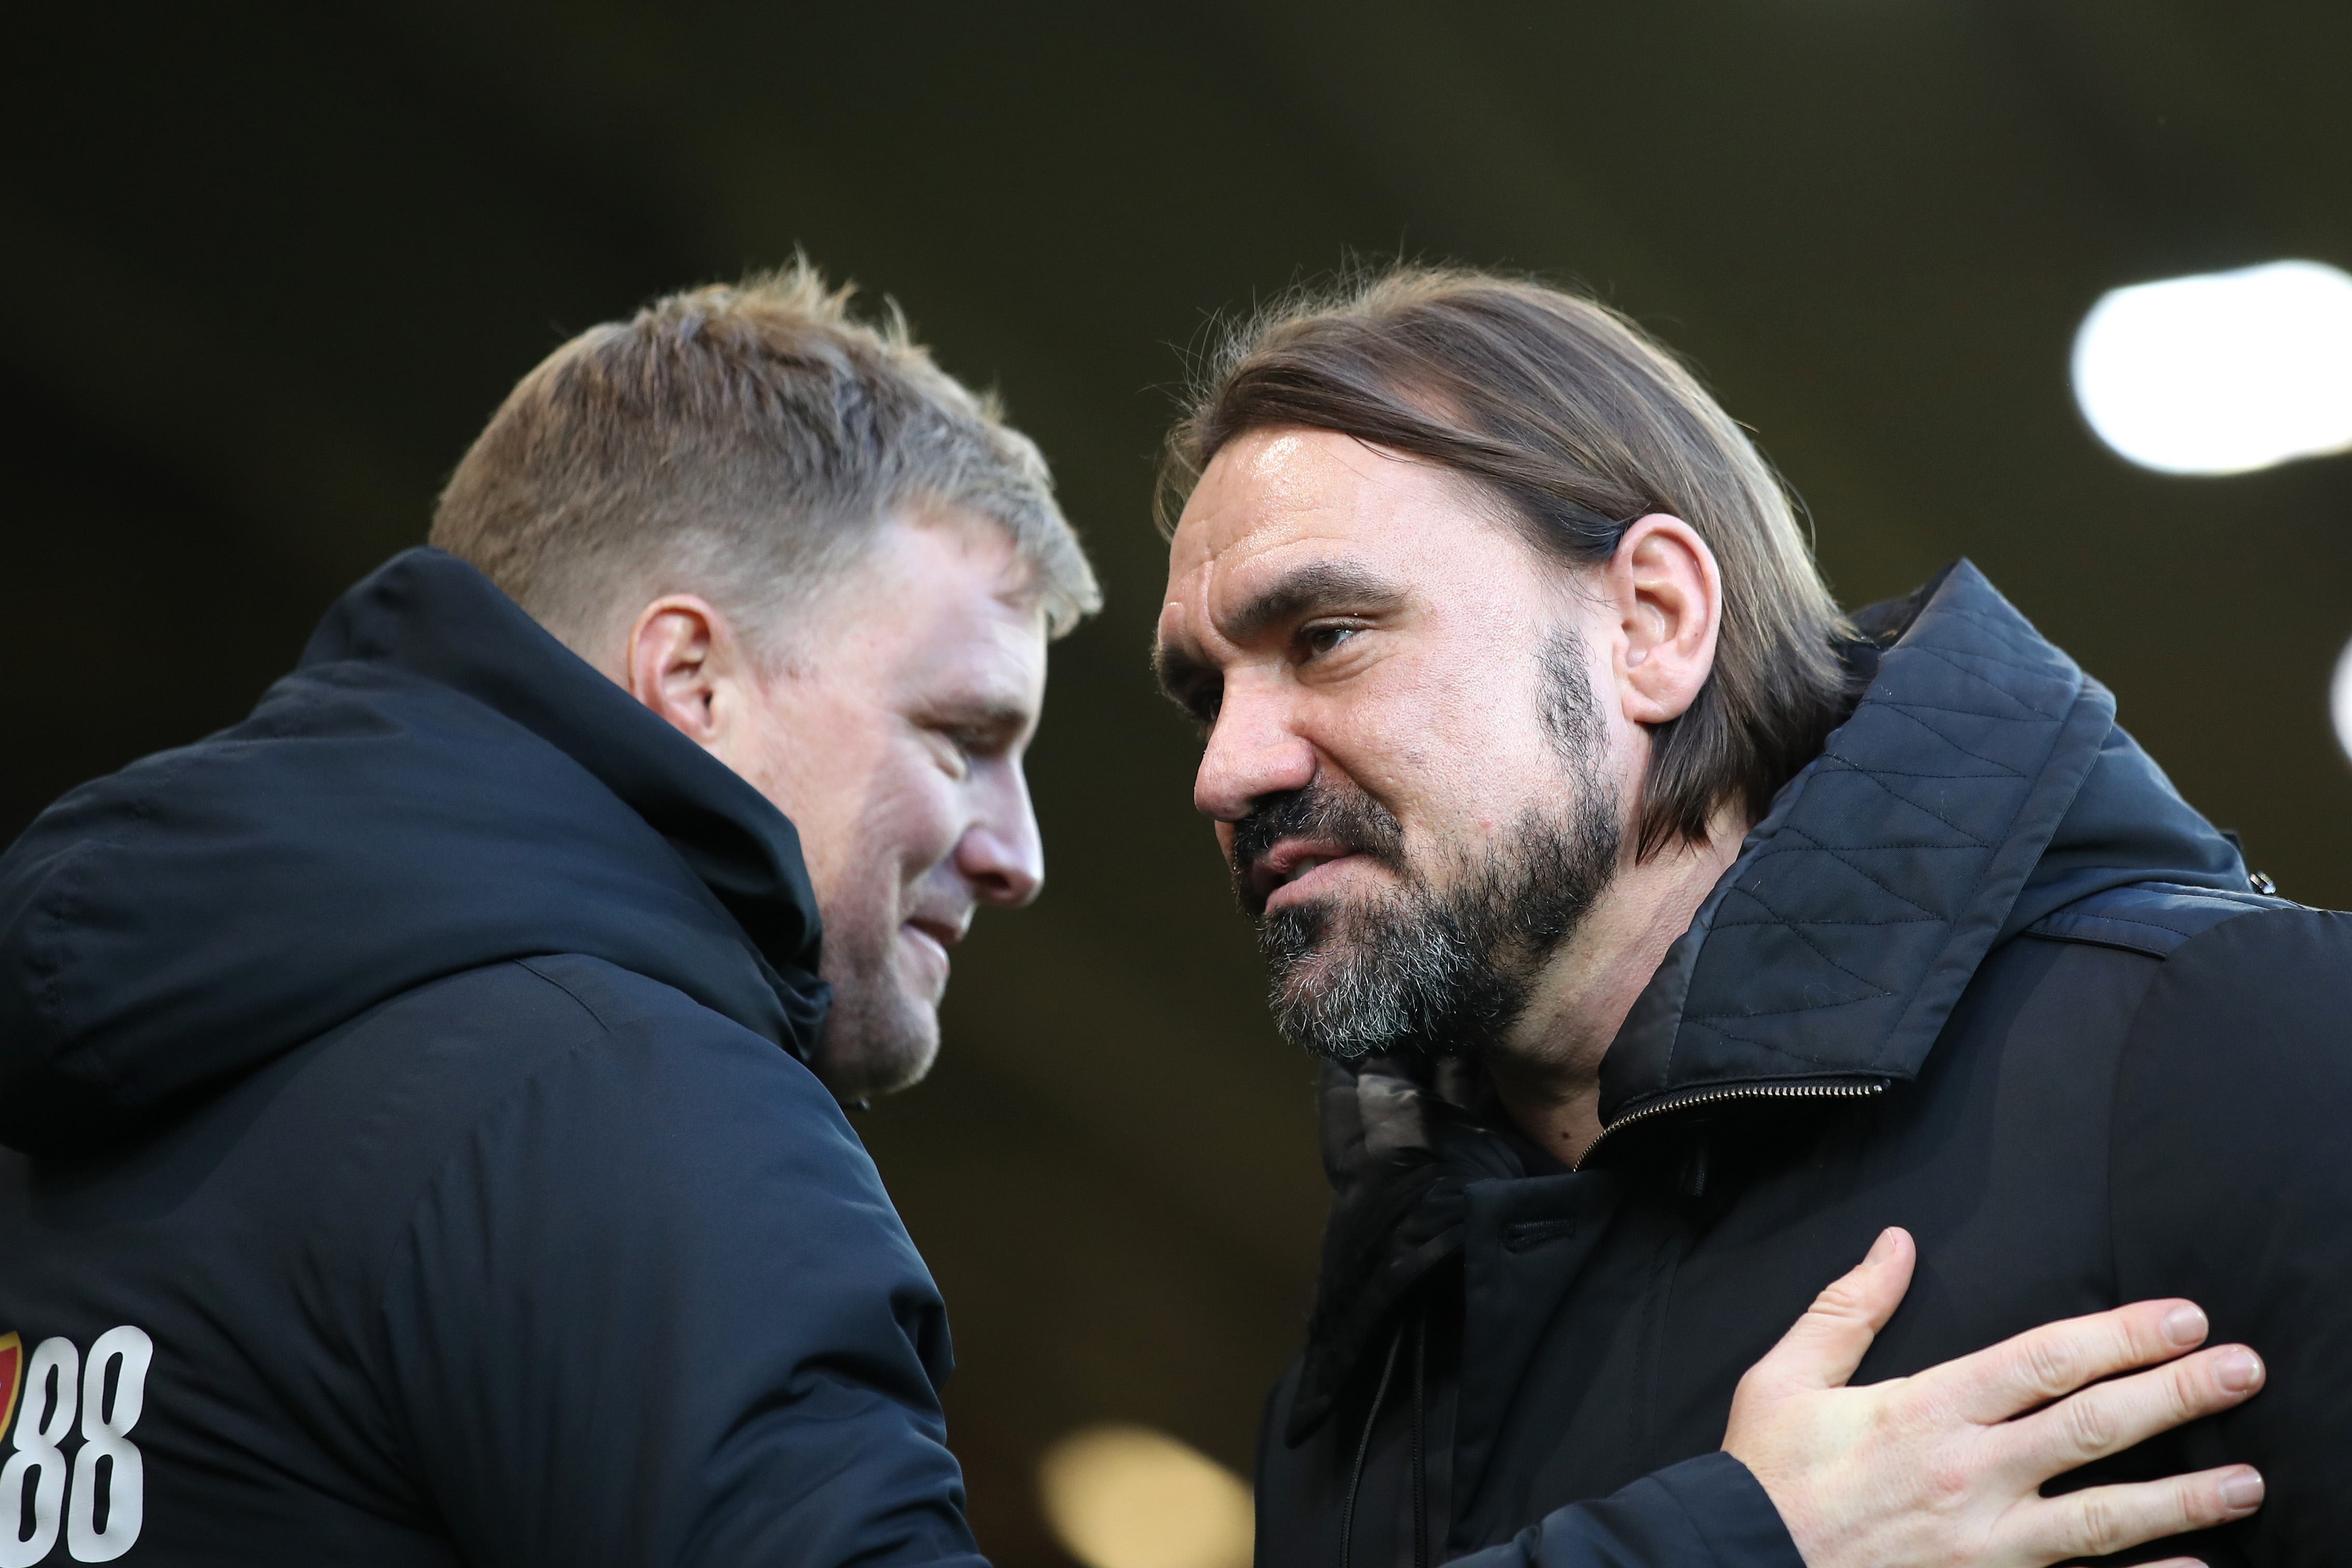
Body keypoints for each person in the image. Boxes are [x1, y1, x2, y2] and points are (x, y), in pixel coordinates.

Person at [0, 264, 2255, 1568]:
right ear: (690, 683)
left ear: (1662, 615)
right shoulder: (610, 1109)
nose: (1043, 838)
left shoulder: (107, 1141)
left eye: (1327, 640)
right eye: (967, 730)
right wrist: (1736, 1549)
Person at [1153, 267, 2339, 1568]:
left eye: (1325, 635)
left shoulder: (2235, 1038)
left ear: (1651, 622)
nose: (1228, 769)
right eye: (1204, 697)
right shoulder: (1363, 1363)